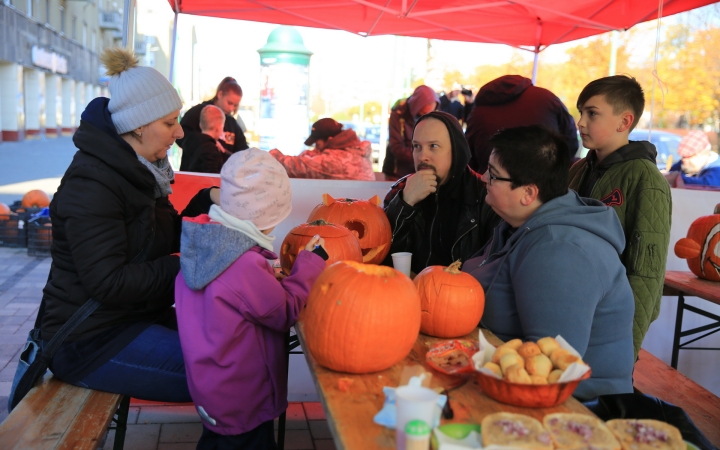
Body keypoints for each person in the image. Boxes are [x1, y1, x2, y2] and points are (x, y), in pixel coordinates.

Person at [38, 48, 217, 402]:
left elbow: (158, 238)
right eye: (169, 123)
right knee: (225, 372)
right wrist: (186, 266)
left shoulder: (141, 171)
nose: (180, 132)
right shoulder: (92, 183)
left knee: (236, 347)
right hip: (89, 339)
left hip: (132, 319)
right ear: (138, 124)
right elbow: (109, 281)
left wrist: (207, 200)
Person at [463, 125, 635, 400]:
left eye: (494, 175)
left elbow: (548, 367)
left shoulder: (560, 251)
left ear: (528, 193)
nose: (483, 178)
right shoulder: (521, 223)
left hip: (580, 408)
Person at [175, 149, 328, 449]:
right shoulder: (243, 265)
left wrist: (267, 278)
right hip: (244, 396)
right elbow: (285, 311)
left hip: (214, 390)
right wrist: (309, 265)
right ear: (265, 216)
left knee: (218, 443)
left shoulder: (206, 245)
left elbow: (232, 299)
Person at [568, 75, 672, 359]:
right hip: (569, 307)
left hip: (609, 323)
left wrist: (626, 351)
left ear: (624, 122)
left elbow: (646, 274)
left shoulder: (646, 180)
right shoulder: (578, 170)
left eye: (592, 113)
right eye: (581, 113)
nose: (581, 122)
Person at [383, 111, 500, 275]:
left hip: (464, 296)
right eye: (417, 146)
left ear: (456, 150)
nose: (422, 156)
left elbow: (493, 269)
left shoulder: (486, 195)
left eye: (433, 146)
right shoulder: (401, 191)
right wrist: (405, 203)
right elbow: (382, 256)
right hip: (408, 294)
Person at [465, 75, 579, 174]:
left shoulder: (477, 113)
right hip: (543, 185)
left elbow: (468, 158)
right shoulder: (546, 97)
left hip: (491, 185)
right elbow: (571, 142)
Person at [270, 118, 375, 180]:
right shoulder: (355, 152)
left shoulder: (334, 161)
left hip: (348, 211)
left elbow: (295, 167)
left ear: (329, 140)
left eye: (317, 143)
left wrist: (270, 155)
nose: (316, 147)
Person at [177, 76, 249, 154]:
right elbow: (180, 135)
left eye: (235, 105)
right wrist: (206, 145)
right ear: (220, 94)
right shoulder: (199, 112)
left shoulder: (233, 124)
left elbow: (243, 152)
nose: (231, 108)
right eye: (229, 103)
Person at [381, 85, 439, 180]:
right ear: (416, 106)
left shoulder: (434, 118)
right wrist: (422, 157)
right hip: (396, 173)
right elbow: (396, 147)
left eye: (430, 113)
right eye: (423, 113)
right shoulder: (398, 114)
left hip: (420, 172)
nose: (425, 117)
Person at [179, 105, 230, 173]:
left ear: (200, 124)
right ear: (218, 127)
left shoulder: (189, 142)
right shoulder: (210, 149)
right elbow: (211, 178)